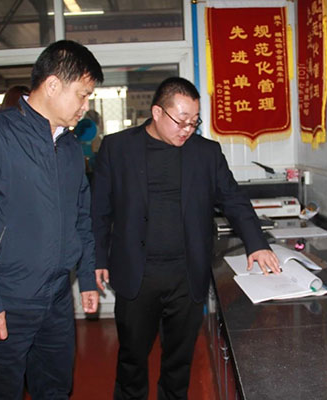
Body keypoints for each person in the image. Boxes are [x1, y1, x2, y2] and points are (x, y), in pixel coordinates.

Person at [91, 77, 280, 399]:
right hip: (137, 275)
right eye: (181, 121)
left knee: (179, 362)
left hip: (186, 275)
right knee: (132, 359)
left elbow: (234, 200)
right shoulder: (117, 147)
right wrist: (97, 258)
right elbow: (99, 211)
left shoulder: (206, 153)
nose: (188, 129)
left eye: (194, 122)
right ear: (157, 113)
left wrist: (257, 243)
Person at [0, 40, 103, 399]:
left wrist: (86, 278)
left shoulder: (69, 147)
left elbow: (81, 218)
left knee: (56, 388)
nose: (85, 106)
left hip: (55, 298)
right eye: (82, 95)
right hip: (5, 300)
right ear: (53, 85)